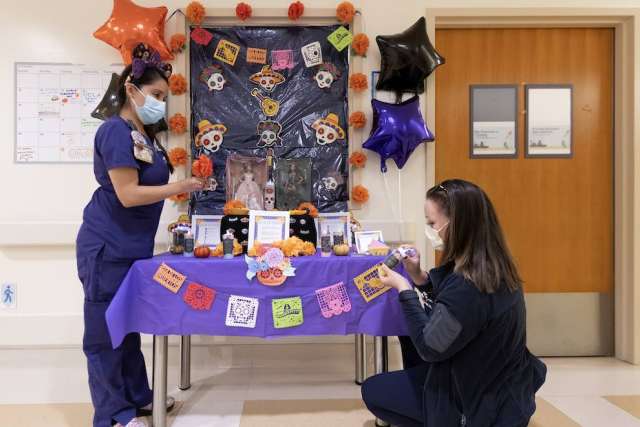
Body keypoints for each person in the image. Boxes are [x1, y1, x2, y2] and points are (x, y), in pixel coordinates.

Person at [76, 44, 205, 427]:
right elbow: (128, 195)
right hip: (106, 245)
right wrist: (183, 185)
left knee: (128, 325)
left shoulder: (145, 137)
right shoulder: (115, 131)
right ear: (132, 90)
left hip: (133, 248)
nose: (161, 104)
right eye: (157, 96)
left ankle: (137, 398)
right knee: (104, 335)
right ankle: (114, 414)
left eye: (165, 97)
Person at [361, 179, 547, 427]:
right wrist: (418, 276)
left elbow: (431, 346)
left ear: (457, 224)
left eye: (432, 223)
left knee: (373, 391)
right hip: (497, 381)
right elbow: (447, 306)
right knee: (409, 334)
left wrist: (403, 287)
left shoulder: (469, 286)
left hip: (480, 402)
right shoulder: (491, 265)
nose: (429, 230)